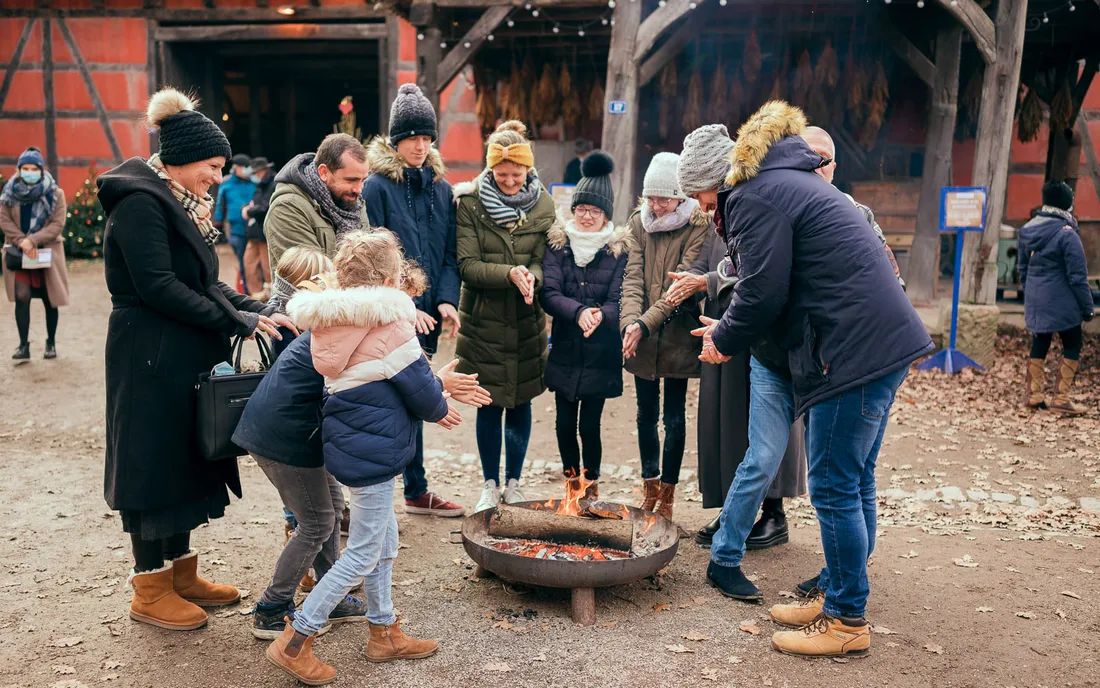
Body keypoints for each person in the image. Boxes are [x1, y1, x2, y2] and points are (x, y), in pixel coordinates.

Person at [692, 102, 933, 657]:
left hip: (853, 353)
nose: (703, 210)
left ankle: (847, 620)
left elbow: (763, 289)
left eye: (701, 199)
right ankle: (837, 593)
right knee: (857, 479)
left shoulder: (754, 195)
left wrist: (723, 338)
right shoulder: (787, 182)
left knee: (833, 487)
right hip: (878, 343)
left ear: (714, 183)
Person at [97, 88, 296, 631]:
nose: (217, 176)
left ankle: (180, 573)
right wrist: (237, 321)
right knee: (152, 463)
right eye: (212, 167)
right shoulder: (141, 203)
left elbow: (204, 284)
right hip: (149, 354)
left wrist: (255, 309)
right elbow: (159, 287)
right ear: (182, 160)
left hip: (178, 353)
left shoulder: (177, 202)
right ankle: (149, 588)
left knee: (182, 459)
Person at [265, 230, 457, 685]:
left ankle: (383, 629)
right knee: (365, 550)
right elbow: (425, 395)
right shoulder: (391, 323)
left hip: (353, 443)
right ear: (392, 276)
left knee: (384, 542)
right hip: (375, 449)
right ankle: (297, 638)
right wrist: (444, 402)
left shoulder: (334, 321)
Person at [363, 83, 465, 518]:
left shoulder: (441, 189)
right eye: (412, 138)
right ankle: (381, 493)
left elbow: (447, 253)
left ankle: (416, 488)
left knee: (418, 393)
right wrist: (407, 302)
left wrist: (444, 300)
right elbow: (370, 257)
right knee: (389, 399)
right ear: (395, 140)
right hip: (390, 313)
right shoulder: (375, 187)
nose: (420, 146)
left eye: (427, 138)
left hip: (427, 316)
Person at [454, 120, 552, 512]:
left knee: (521, 400)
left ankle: (514, 482)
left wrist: (534, 276)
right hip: (484, 322)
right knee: (489, 402)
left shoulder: (544, 206)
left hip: (527, 320)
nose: (510, 181)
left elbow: (548, 263)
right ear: (490, 169)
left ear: (529, 170)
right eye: (502, 174)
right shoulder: (470, 203)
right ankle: (489, 483)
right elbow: (467, 265)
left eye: (517, 174)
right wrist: (510, 273)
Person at [620, 151, 709, 521]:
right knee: (644, 415)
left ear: (680, 196)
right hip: (642, 338)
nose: (655, 205)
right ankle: (649, 488)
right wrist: (629, 322)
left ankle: (669, 496)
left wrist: (643, 324)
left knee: (673, 417)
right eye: (650, 197)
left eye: (663, 198)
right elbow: (632, 277)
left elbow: (679, 289)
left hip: (677, 336)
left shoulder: (698, 224)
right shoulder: (637, 223)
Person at [540, 151, 630, 493]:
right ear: (573, 209)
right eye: (581, 209)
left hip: (601, 351)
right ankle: (570, 482)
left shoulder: (618, 250)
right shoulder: (558, 244)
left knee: (590, 424)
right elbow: (549, 292)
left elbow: (618, 299)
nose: (587, 216)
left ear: (605, 213)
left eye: (594, 210)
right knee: (564, 423)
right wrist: (578, 312)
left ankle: (590, 483)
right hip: (565, 346)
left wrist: (599, 316)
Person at [1019, 180, 1094, 415]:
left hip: (1036, 298)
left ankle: (1034, 395)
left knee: (1040, 341)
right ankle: (1061, 398)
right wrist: (1087, 308)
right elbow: (1077, 277)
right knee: (1072, 343)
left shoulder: (1027, 229)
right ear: (1067, 204)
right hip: (1063, 302)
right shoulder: (1067, 234)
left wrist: (1032, 292)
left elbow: (1022, 270)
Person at [800, 126, 904, 287]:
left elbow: (894, 284)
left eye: (824, 157)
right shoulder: (772, 211)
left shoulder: (860, 215)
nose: (816, 163)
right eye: (808, 154)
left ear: (833, 168)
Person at [265, 133, 370, 270]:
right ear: (324, 172)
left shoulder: (354, 203)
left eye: (363, 180)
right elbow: (309, 276)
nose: (359, 189)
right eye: (351, 180)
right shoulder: (287, 208)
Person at [1, 146, 68, 361]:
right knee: (22, 296)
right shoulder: (9, 193)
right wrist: (22, 242)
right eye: (25, 168)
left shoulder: (56, 194)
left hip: (47, 253)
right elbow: (4, 220)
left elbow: (57, 224)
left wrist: (33, 240)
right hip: (20, 253)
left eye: (34, 168)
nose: (30, 172)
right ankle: (23, 345)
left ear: (41, 169)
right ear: (19, 170)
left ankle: (51, 343)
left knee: (50, 299)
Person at [216, 153, 256, 292]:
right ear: (236, 168)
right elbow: (220, 205)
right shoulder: (226, 184)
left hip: (254, 229)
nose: (247, 170)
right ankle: (244, 290)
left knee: (253, 261)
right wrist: (218, 224)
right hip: (235, 230)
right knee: (242, 261)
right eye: (244, 167)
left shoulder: (254, 183)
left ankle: (253, 290)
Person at [242, 156, 275, 299]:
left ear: (261, 171)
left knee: (267, 266)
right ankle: (255, 294)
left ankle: (271, 294)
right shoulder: (260, 184)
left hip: (265, 231)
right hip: (254, 231)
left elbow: (265, 207)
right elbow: (254, 203)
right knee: (249, 263)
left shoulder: (273, 184)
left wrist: (249, 211)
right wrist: (247, 209)